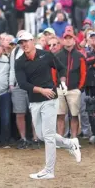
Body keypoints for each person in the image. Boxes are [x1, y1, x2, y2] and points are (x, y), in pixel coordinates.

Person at [15, 31, 81, 179]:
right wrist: (41, 90)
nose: (24, 44)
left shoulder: (46, 55)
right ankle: (70, 143)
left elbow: (62, 68)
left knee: (49, 136)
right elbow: (22, 84)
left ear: (32, 41)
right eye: (21, 43)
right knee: (41, 135)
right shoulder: (19, 62)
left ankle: (49, 171)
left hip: (50, 99)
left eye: (26, 41)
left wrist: (62, 82)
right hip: (35, 100)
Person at [54, 31, 86, 138]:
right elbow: (53, 72)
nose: (68, 40)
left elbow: (83, 73)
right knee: (60, 115)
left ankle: (74, 138)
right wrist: (55, 86)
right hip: (59, 89)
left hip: (74, 89)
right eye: (66, 38)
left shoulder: (79, 56)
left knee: (74, 115)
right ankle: (60, 138)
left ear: (74, 40)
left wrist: (80, 88)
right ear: (63, 41)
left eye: (70, 38)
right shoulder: (57, 55)